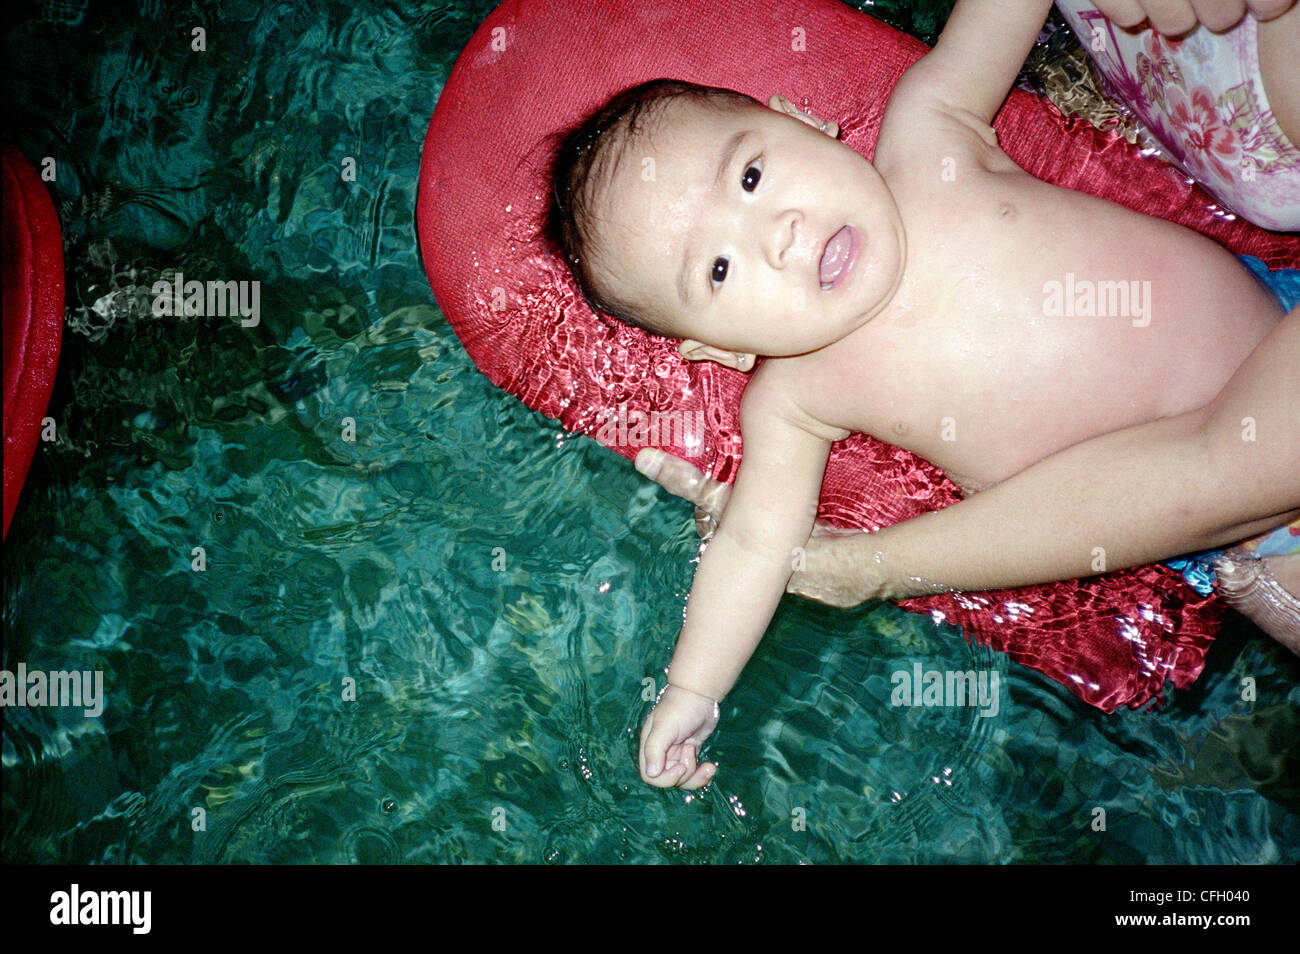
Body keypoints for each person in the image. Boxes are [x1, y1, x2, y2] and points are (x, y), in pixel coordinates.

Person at [545, 0, 1298, 791]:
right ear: (723, 350)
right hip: (1253, 542)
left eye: (752, 176)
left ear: (802, 118)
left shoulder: (929, 130)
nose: (779, 231)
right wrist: (692, 689)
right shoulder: (795, 396)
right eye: (719, 270)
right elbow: (754, 544)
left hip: (1274, 324)